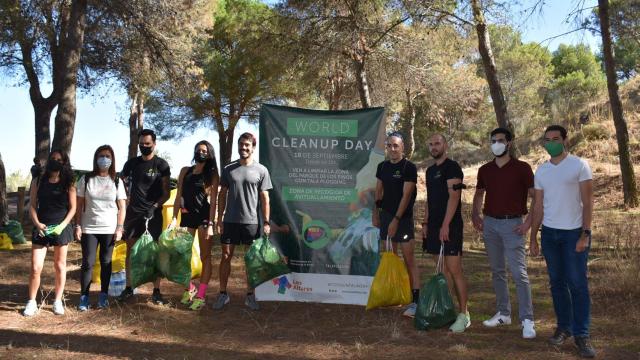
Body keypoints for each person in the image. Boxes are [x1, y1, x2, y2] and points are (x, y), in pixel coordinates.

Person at [530, 125, 595, 358]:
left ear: (565, 140)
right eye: (547, 140)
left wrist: (585, 234)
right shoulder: (542, 171)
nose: (551, 143)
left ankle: (582, 335)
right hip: (550, 234)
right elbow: (538, 207)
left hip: (573, 234)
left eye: (555, 139)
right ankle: (563, 328)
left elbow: (588, 203)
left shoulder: (579, 165)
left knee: (577, 284)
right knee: (557, 284)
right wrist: (533, 238)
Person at [471, 128, 536, 339]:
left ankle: (527, 320)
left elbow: (536, 197)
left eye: (500, 140)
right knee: (497, 270)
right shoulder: (485, 170)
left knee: (519, 273)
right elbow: (479, 193)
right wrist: (475, 214)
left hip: (513, 225)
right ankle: (504, 313)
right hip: (490, 224)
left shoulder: (522, 168)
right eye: (492, 141)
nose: (496, 144)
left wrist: (528, 223)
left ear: (509, 143)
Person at [213, 132, 272, 311]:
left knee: (250, 260)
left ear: (253, 147)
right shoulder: (228, 169)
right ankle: (223, 294)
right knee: (225, 257)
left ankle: (250, 295)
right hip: (230, 222)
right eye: (241, 144)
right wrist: (219, 218)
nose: (243, 148)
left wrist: (267, 222)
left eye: (247, 145)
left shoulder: (261, 170)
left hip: (251, 223)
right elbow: (222, 195)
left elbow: (265, 199)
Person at [421, 133, 470, 332]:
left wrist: (446, 225)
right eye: (431, 144)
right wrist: (425, 223)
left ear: (445, 146)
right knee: (442, 270)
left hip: (450, 227)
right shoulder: (430, 171)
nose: (434, 147)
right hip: (433, 227)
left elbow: (454, 197)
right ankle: (446, 309)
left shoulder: (453, 167)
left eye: (437, 143)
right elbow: (430, 200)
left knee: (454, 269)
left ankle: (464, 314)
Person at [117, 129, 171, 304]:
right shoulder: (131, 164)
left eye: (147, 144)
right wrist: (124, 201)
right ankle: (129, 288)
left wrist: (155, 207)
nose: (144, 147)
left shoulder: (162, 165)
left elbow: (166, 193)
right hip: (132, 214)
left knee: (154, 253)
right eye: (141, 144)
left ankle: (156, 291)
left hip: (153, 215)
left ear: (154, 144)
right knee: (131, 252)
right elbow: (119, 184)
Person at [23, 150, 77, 316]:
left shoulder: (69, 182)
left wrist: (63, 225)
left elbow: (73, 208)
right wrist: (37, 224)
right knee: (35, 267)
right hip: (42, 228)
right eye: (53, 159)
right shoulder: (38, 180)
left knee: (60, 266)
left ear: (64, 162)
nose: (55, 161)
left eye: (59, 159)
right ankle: (31, 302)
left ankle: (57, 301)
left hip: (61, 228)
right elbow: (32, 205)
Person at [372, 131, 419, 317]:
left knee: (409, 260)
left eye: (396, 146)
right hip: (385, 218)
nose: (392, 149)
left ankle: (416, 301)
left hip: (403, 220)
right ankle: (396, 295)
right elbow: (378, 192)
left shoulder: (409, 167)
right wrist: (376, 214)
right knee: (390, 257)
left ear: (403, 148)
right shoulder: (382, 166)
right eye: (389, 145)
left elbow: (407, 196)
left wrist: (396, 220)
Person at [74, 145, 127, 311]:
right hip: (89, 228)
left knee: (106, 262)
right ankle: (84, 298)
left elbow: (122, 207)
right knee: (88, 263)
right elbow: (79, 205)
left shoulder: (117, 181)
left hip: (109, 229)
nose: (104, 159)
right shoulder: (86, 179)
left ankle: (103, 296)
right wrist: (77, 225)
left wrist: (119, 228)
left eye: (108, 156)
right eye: (101, 156)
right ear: (96, 158)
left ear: (112, 160)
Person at [170, 140, 219, 310]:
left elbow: (213, 203)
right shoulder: (185, 171)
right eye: (198, 150)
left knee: (206, 256)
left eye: (204, 151)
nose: (201, 152)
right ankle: (190, 288)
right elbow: (178, 197)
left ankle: (201, 295)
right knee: (182, 255)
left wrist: (212, 223)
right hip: (187, 217)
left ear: (209, 154)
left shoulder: (212, 174)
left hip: (204, 218)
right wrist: (174, 219)